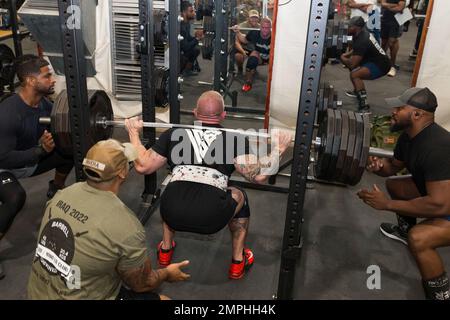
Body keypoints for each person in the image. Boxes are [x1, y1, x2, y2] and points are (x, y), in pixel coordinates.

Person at [125, 90, 292, 280]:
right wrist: (280, 147)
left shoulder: (174, 134)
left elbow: (143, 166)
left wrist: (133, 133)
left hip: (171, 213)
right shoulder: (234, 139)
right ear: (223, 115)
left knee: (173, 188)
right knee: (240, 196)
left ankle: (165, 249)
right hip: (211, 218)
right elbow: (260, 176)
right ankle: (238, 262)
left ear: (195, 112)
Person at [27, 139, 190, 299]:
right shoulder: (126, 225)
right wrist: (167, 273)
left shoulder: (60, 195)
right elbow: (142, 284)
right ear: (122, 173)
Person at [357, 87, 450, 300]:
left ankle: (441, 296)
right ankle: (404, 230)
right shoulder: (408, 137)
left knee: (419, 239)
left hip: (445, 202)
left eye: (399, 107)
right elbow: (392, 167)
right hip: (442, 195)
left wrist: (387, 205)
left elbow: (440, 206)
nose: (393, 111)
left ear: (417, 114)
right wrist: (379, 166)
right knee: (396, 185)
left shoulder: (438, 147)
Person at [0, 54, 73, 280]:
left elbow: (60, 124)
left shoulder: (43, 103)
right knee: (15, 197)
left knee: (70, 151)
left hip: (30, 156)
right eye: (46, 76)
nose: (52, 79)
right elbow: (4, 159)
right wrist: (39, 152)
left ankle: (56, 189)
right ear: (31, 81)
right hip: (4, 164)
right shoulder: (9, 112)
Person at [341, 16, 391, 112]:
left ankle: (364, 106)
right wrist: (346, 54)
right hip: (375, 60)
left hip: (381, 65)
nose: (347, 28)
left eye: (350, 26)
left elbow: (352, 64)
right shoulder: (361, 33)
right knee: (354, 70)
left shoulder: (362, 40)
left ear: (356, 27)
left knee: (355, 74)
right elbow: (356, 50)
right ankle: (358, 91)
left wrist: (342, 58)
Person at [232, 17, 272, 92]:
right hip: (260, 57)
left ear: (270, 28)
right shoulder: (254, 33)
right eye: (263, 27)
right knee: (252, 58)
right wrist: (237, 32)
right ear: (260, 27)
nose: (265, 30)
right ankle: (248, 82)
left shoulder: (275, 36)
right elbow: (244, 40)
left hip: (271, 58)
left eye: (267, 28)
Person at [380, 0, 406, 77]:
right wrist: (394, 5)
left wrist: (388, 6)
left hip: (396, 21)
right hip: (385, 19)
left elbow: (400, 8)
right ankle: (383, 63)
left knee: (392, 42)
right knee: (384, 43)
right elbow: (382, 4)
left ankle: (392, 66)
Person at [233, 10, 261, 74]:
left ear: (258, 19)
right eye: (252, 17)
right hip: (243, 47)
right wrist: (242, 51)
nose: (254, 19)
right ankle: (240, 68)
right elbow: (236, 42)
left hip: (253, 48)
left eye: (256, 17)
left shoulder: (260, 27)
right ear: (248, 18)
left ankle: (253, 67)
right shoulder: (242, 26)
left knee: (258, 57)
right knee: (238, 57)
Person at [180, 1, 203, 76]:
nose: (194, 13)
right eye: (191, 11)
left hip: (183, 49)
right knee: (194, 50)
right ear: (184, 13)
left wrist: (196, 37)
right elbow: (185, 48)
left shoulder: (186, 23)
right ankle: (182, 70)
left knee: (196, 49)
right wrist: (196, 39)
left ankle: (187, 70)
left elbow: (188, 38)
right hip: (178, 53)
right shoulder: (181, 27)